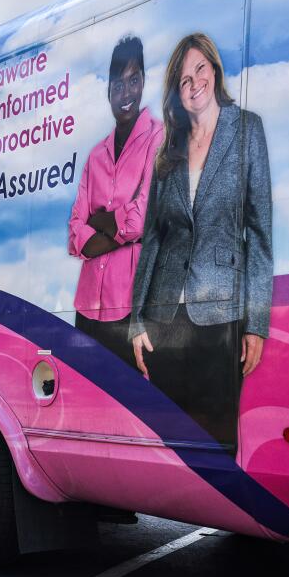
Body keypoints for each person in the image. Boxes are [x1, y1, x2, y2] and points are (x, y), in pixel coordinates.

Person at [129, 32, 272, 449]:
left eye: (200, 70)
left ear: (215, 69)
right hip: (164, 319)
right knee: (167, 441)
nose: (194, 84)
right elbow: (153, 236)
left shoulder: (246, 130)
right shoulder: (167, 149)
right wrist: (137, 319)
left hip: (221, 315)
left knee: (217, 441)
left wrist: (256, 324)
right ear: (176, 90)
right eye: (183, 79)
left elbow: (259, 233)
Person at [68, 35, 164, 365]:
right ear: (108, 90)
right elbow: (73, 234)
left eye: (133, 80)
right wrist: (124, 231)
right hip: (86, 313)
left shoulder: (158, 137)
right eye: (117, 84)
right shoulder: (96, 156)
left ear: (143, 83)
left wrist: (100, 224)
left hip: (128, 312)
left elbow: (144, 218)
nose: (126, 93)